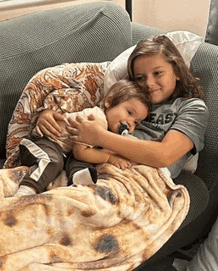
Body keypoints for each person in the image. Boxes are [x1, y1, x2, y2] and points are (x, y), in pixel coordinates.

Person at [66, 35, 209, 180]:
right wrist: (47, 114)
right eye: (140, 78)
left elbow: (164, 156)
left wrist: (99, 137)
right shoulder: (129, 98)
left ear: (177, 71)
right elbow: (92, 117)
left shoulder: (192, 108)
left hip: (141, 177)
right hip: (98, 165)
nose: (149, 83)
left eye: (157, 73)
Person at [14, 79, 150, 197]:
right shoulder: (97, 120)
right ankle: (26, 191)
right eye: (129, 112)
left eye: (136, 122)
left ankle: (77, 178)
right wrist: (110, 157)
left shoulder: (108, 129)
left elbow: (78, 154)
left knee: (84, 163)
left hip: (65, 151)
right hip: (41, 142)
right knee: (53, 160)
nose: (130, 123)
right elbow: (81, 152)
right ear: (109, 102)